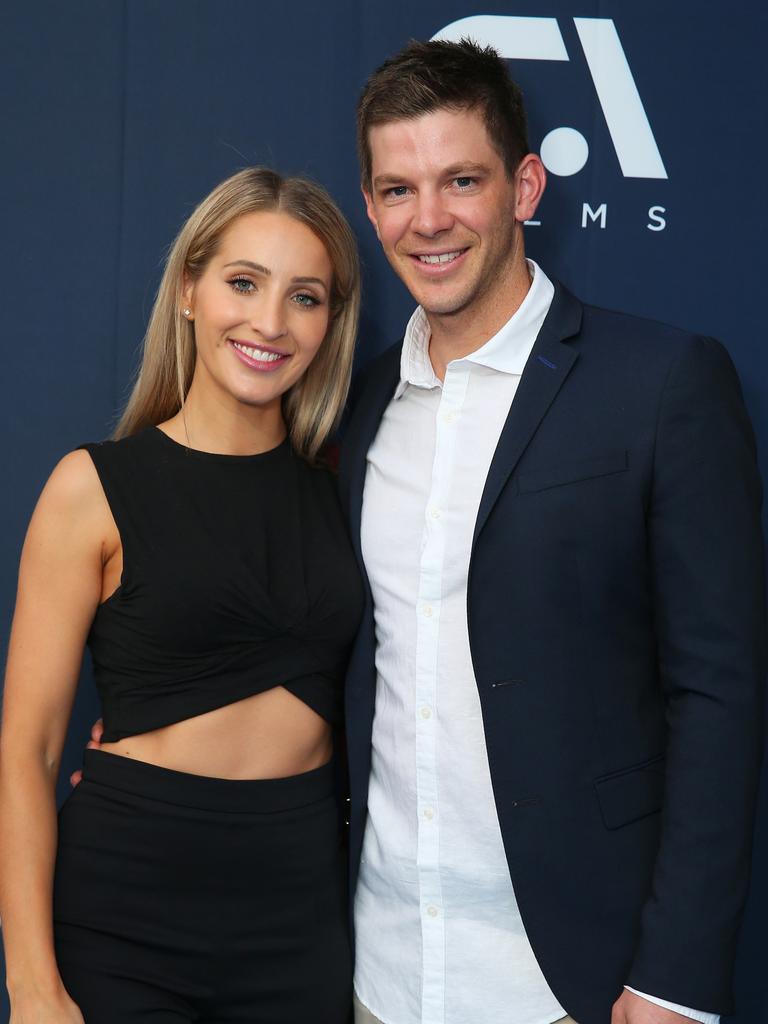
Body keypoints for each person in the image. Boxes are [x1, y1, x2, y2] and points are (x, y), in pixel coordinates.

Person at [338, 39, 766, 1024]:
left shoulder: (661, 383)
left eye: (462, 180)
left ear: (525, 186)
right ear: (369, 207)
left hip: (577, 980)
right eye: (397, 189)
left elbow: (719, 694)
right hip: (380, 970)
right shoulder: (358, 411)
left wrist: (675, 981)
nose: (429, 219)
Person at [0, 166, 363, 1024]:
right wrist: (33, 987)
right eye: (244, 283)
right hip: (125, 913)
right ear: (191, 288)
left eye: (305, 297)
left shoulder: (349, 488)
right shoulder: (92, 487)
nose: (270, 322)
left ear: (330, 323)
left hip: (301, 916)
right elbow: (29, 753)